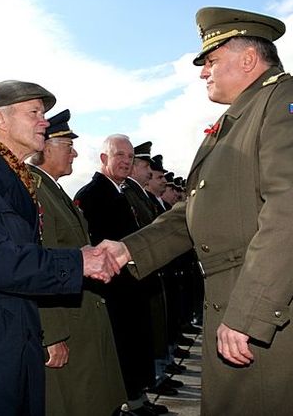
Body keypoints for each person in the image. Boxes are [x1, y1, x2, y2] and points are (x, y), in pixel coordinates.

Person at [99, 7, 293, 415]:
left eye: (211, 61)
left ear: (247, 59)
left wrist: (249, 314)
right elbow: (191, 213)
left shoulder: (291, 102)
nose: (203, 72)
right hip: (241, 309)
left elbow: (290, 214)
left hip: (281, 321)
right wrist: (126, 251)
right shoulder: (234, 122)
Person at [0, 80, 119, 416]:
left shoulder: (11, 174)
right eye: (35, 113)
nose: (44, 121)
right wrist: (78, 263)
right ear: (1, 120)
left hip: (13, 331)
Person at [27, 109, 127, 416]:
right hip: (67, 324)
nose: (74, 152)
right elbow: (39, 265)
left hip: (83, 318)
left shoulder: (54, 190)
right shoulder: (35, 190)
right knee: (72, 402)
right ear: (44, 147)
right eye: (67, 145)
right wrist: (52, 333)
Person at [74, 135, 168, 416]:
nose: (126, 161)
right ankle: (124, 403)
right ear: (104, 159)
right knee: (121, 350)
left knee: (134, 347)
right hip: (113, 290)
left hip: (130, 288)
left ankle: (136, 399)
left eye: (130, 157)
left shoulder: (120, 192)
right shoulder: (92, 194)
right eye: (120, 156)